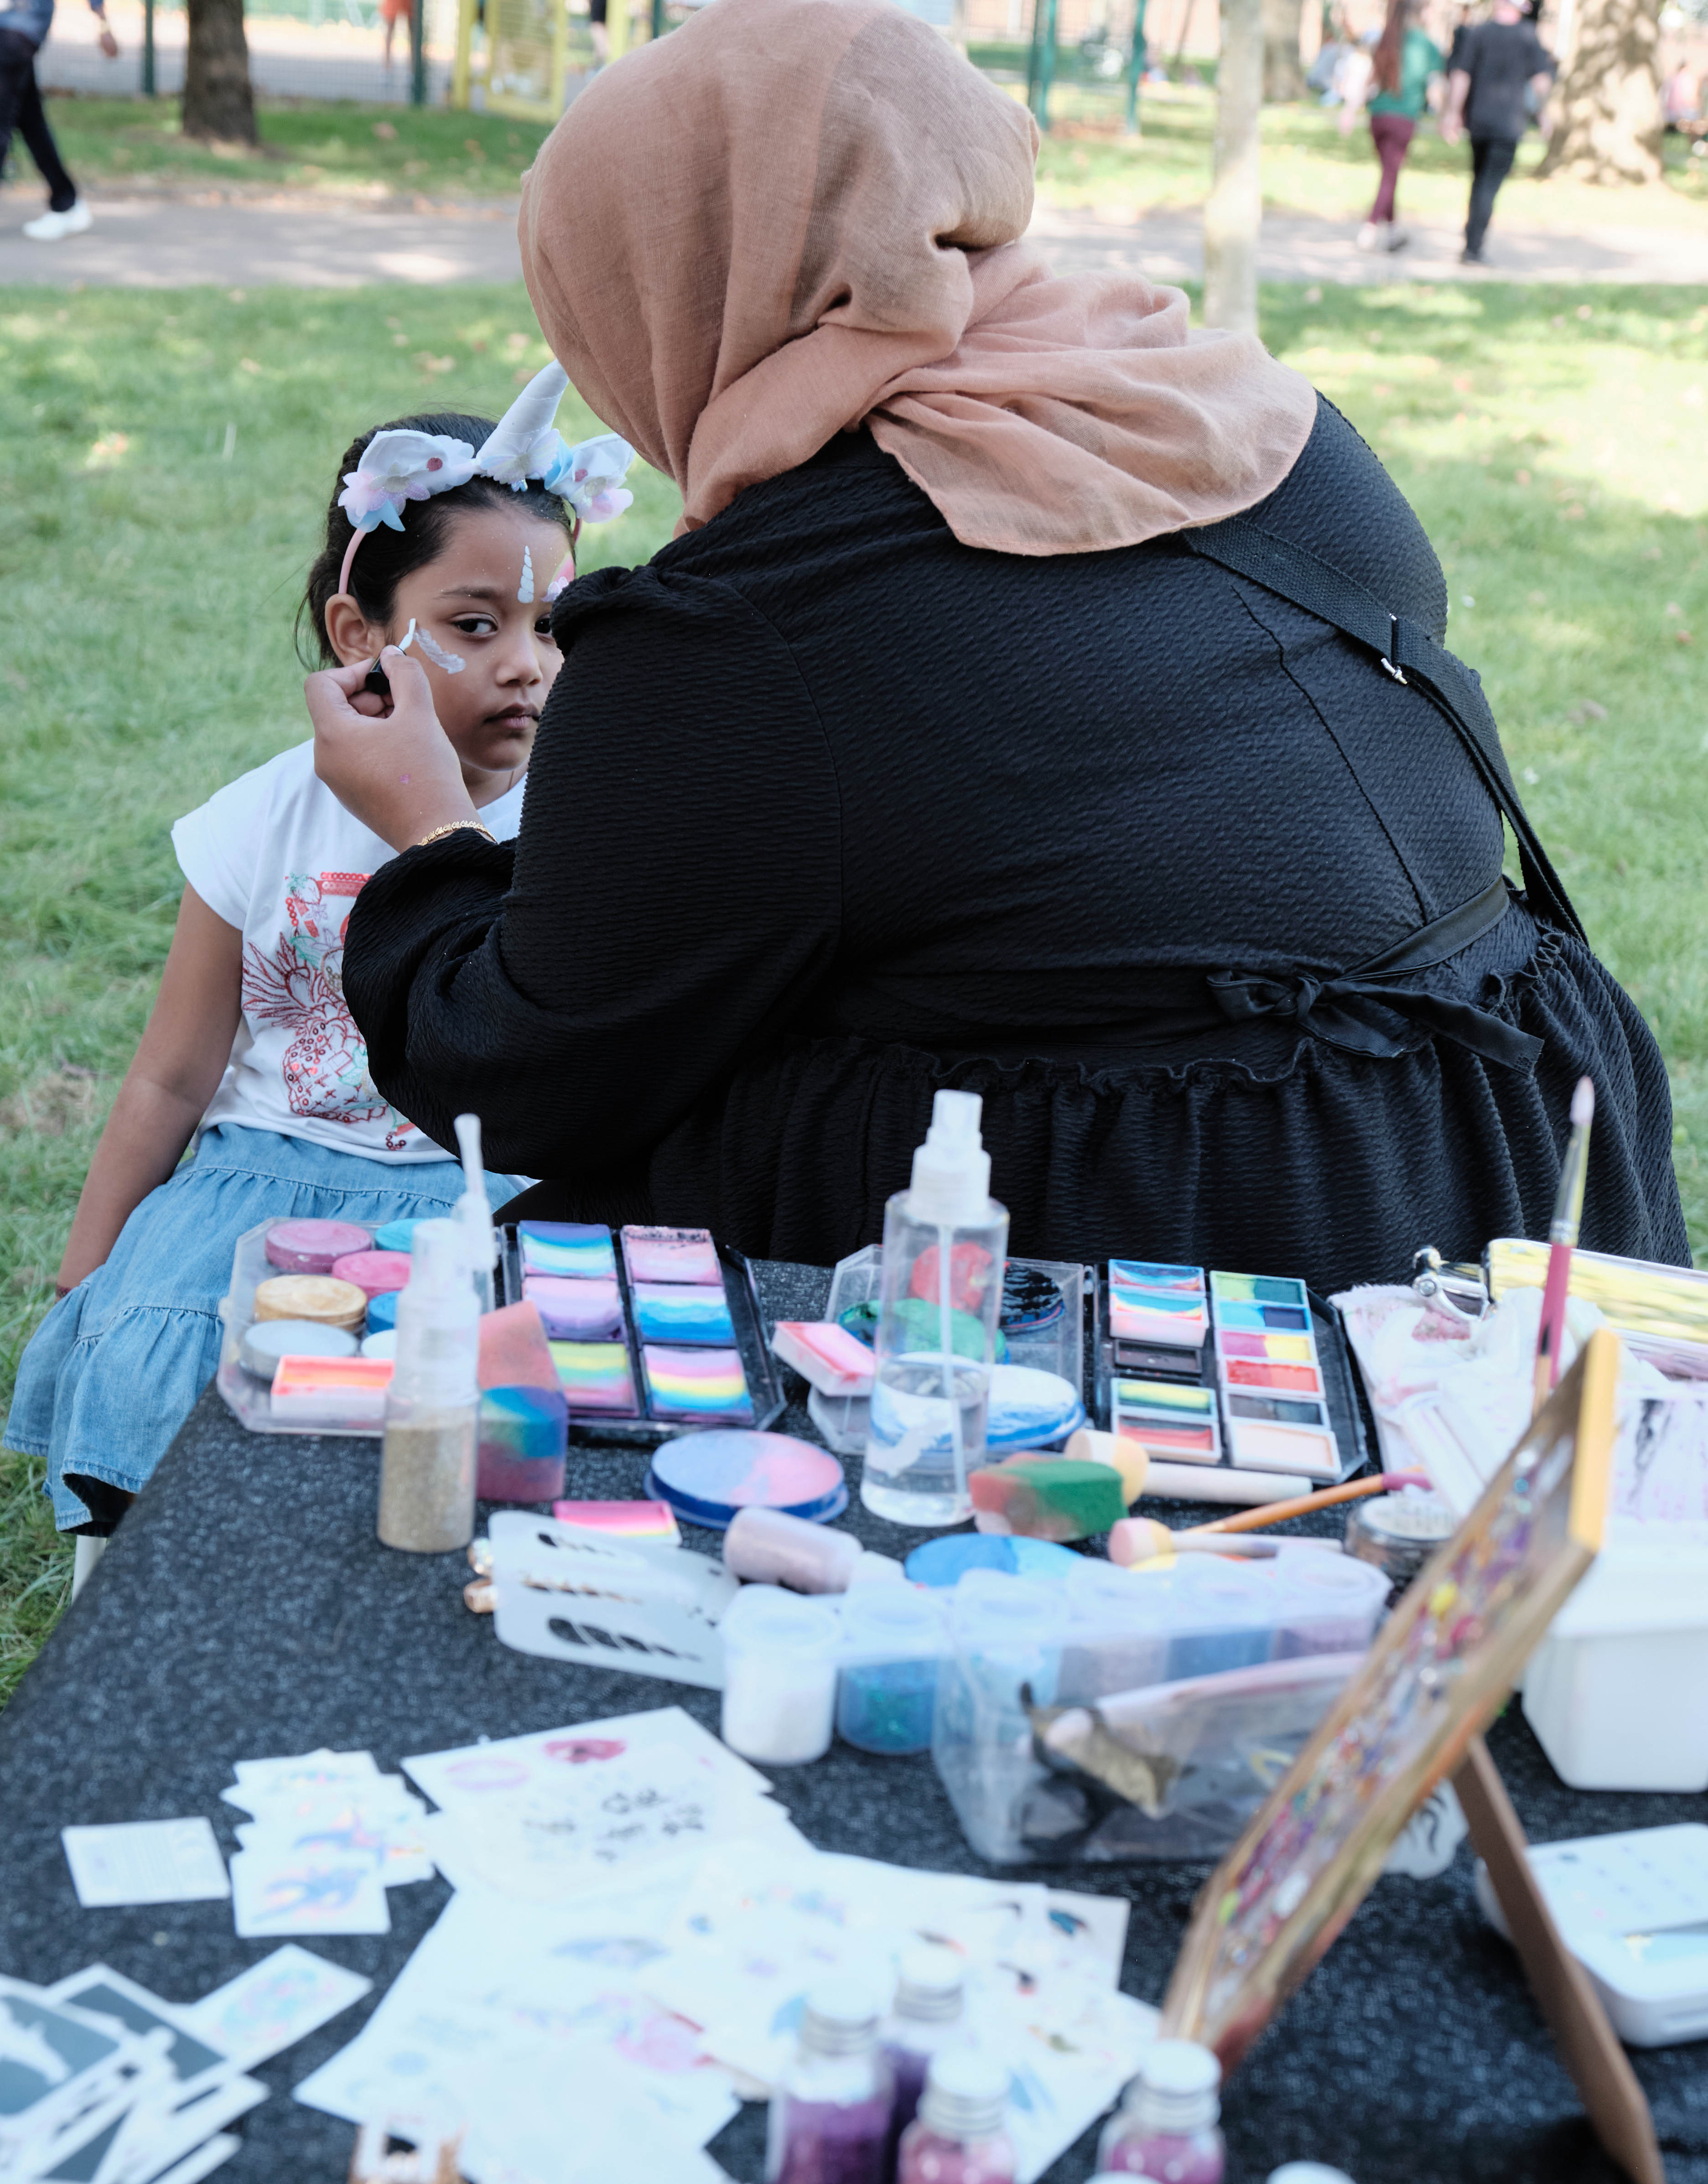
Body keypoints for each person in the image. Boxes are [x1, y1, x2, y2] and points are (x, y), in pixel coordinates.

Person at [311, 0, 1687, 1298]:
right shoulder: (1274, 425)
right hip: (1524, 1145)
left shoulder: (740, 625)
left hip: (1164, 1242)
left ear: (652, 287)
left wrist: (433, 837)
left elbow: (528, 1070)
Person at [2, 378, 629, 1537]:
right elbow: (172, 1076)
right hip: (266, 1178)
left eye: (553, 624)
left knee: (488, 1403)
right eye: (477, 624)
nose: (528, 664)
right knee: (161, 1365)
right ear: (361, 634)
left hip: (484, 1186)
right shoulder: (259, 820)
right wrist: (86, 1269)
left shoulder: (589, 822)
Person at [1441, 0, 1555, 266]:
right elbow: (1541, 81)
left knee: (1479, 180)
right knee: (1489, 185)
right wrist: (1544, 115)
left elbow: (1461, 75)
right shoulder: (1528, 36)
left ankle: (1471, 241)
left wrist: (1453, 113)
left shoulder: (1478, 33)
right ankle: (1473, 248)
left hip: (1479, 120)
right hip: (1508, 123)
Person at [0, 0, 115, 244]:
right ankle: (67, 202)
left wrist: (104, 23)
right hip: (12, 28)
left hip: (18, 29)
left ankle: (67, 203)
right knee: (30, 121)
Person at [1346, 0, 1443, 252]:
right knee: (1390, 176)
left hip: (1378, 117)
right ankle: (1369, 229)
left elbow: (1368, 81)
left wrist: (1349, 112)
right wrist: (1445, 116)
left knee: (1389, 174)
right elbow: (1434, 90)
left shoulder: (1385, 39)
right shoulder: (1426, 45)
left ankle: (1393, 232)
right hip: (1403, 118)